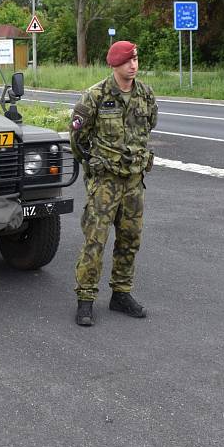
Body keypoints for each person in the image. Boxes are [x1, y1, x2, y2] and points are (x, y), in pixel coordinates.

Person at [70, 40, 158, 326]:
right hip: (105, 183)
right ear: (114, 65)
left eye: (135, 60)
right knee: (95, 241)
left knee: (130, 238)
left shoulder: (145, 94)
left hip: (134, 180)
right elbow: (77, 140)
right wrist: (93, 169)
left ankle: (121, 293)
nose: (132, 66)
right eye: (126, 61)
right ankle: (85, 299)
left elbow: (148, 126)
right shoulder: (95, 96)